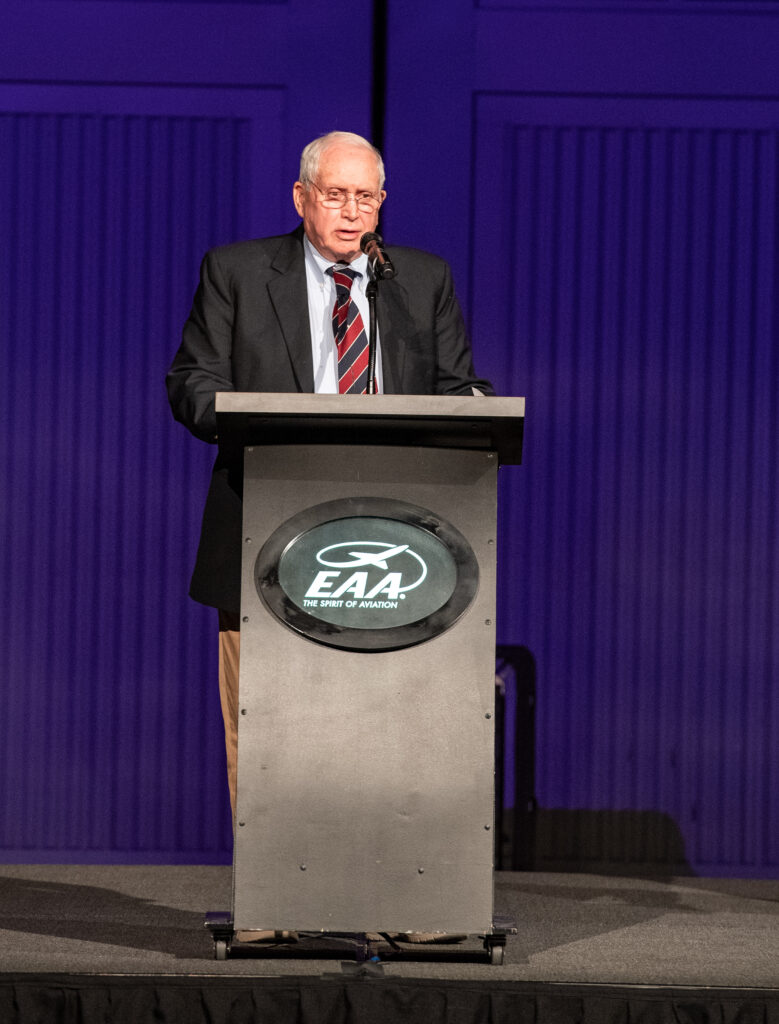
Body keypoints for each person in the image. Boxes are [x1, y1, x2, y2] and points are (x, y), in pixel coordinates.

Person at [166, 130, 492, 943]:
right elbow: (191, 380)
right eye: (337, 195)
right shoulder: (237, 272)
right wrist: (251, 417)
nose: (353, 212)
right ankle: (272, 908)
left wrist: (475, 406)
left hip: (400, 544)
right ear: (301, 196)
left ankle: (413, 908)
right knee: (264, 727)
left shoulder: (417, 280)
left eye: (367, 197)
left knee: (398, 726)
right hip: (264, 534)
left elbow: (455, 389)